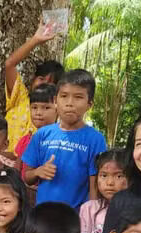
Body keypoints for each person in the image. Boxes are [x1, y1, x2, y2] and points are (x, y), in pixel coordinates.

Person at [23, 69, 107, 208]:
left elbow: (95, 185)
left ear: (89, 104)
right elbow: (27, 177)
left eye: (78, 97)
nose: (69, 103)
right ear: (56, 101)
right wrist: (39, 171)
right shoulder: (41, 135)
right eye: (64, 96)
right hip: (42, 215)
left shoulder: (95, 140)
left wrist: (91, 217)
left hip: (75, 218)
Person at [3, 22, 64, 152]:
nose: (43, 84)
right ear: (33, 80)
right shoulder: (19, 97)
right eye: (41, 79)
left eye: (50, 83)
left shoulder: (58, 112)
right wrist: (35, 40)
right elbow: (9, 64)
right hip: (3, 168)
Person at [77, 148, 128, 233]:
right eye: (104, 175)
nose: (110, 183)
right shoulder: (88, 208)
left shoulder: (134, 210)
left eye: (119, 176)